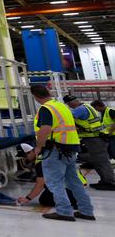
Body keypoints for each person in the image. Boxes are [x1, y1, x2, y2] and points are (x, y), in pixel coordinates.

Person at [26, 84, 95, 222]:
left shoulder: (46, 109)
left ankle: (64, 212)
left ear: (35, 97)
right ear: (48, 92)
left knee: (54, 182)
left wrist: (38, 148)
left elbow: (45, 129)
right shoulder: (61, 106)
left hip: (55, 150)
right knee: (74, 182)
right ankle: (86, 211)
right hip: (70, 148)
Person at [70, 94, 115, 190]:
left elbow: (68, 118)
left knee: (102, 161)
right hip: (97, 138)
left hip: (96, 138)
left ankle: (110, 182)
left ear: (70, 103)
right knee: (98, 161)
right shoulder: (87, 107)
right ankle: (105, 180)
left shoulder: (80, 109)